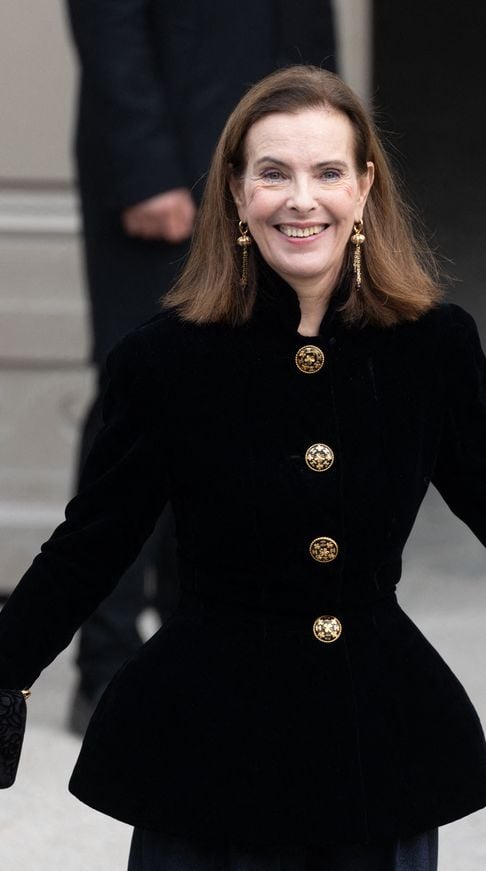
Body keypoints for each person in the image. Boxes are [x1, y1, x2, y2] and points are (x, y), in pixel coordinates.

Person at [1, 65, 486, 870]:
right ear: (236, 194)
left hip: (376, 744)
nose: (301, 199)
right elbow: (92, 541)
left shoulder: (432, 347)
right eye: (273, 173)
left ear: (365, 187)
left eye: (328, 172)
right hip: (207, 750)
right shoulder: (164, 361)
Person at [64, 0, 336, 731]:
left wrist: (322, 159)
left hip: (274, 179)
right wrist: (144, 162)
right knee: (143, 399)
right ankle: (108, 664)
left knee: (249, 396)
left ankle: (211, 649)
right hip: (166, 167)